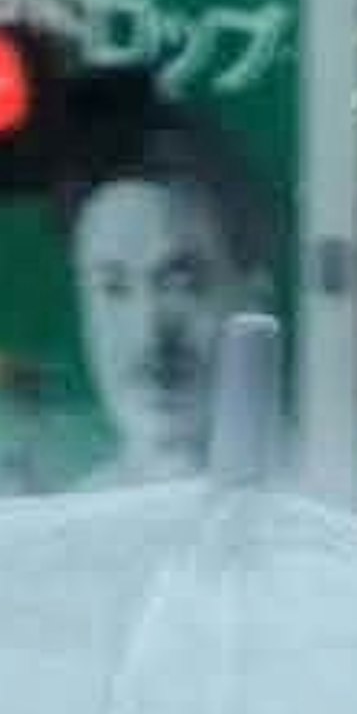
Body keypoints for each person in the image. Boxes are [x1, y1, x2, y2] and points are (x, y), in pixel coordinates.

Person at [64, 111, 274, 481]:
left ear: (254, 297)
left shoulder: (324, 500)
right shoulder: (68, 522)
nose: (149, 332)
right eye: (114, 288)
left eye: (182, 285)